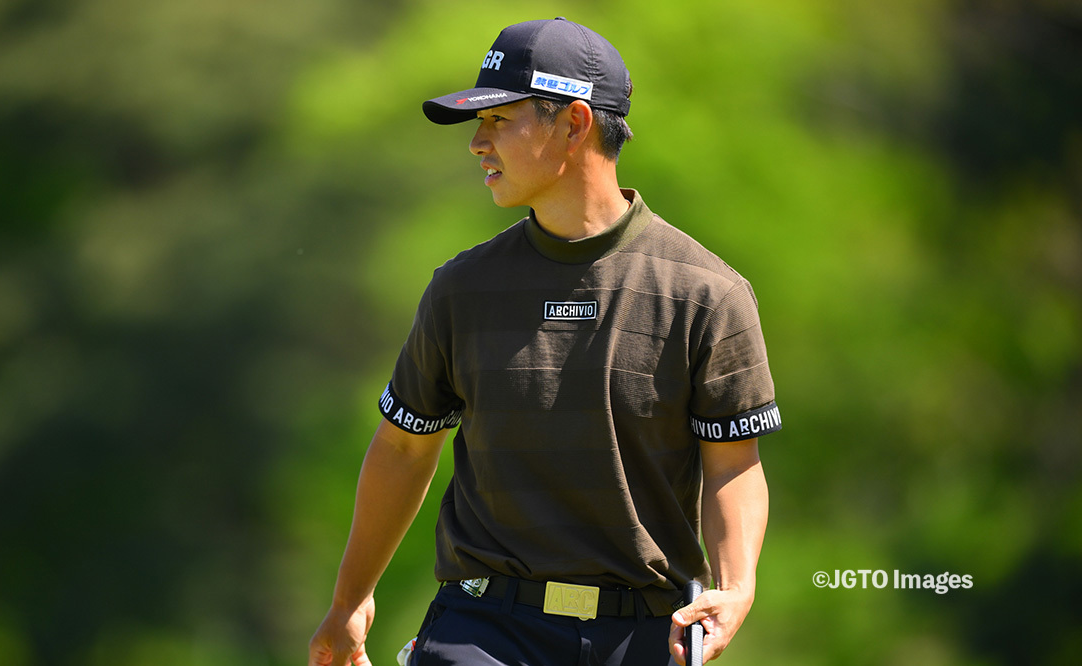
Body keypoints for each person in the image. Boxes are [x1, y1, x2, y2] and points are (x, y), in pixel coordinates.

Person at [309, 17, 780, 666]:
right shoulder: (461, 289)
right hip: (483, 628)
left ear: (575, 124)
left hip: (647, 635)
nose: (477, 143)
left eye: (499, 120)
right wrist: (349, 602)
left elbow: (732, 463)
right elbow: (403, 447)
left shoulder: (707, 293)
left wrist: (736, 588)